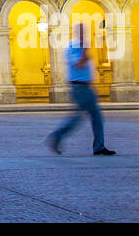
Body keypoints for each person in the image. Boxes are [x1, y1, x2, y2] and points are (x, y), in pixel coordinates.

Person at [46, 22, 116, 156]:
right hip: (79, 86)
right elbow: (79, 64)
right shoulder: (73, 47)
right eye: (83, 31)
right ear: (77, 33)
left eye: (86, 31)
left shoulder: (82, 46)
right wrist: (84, 51)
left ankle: (98, 146)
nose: (85, 34)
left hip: (86, 86)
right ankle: (57, 136)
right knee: (84, 117)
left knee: (94, 116)